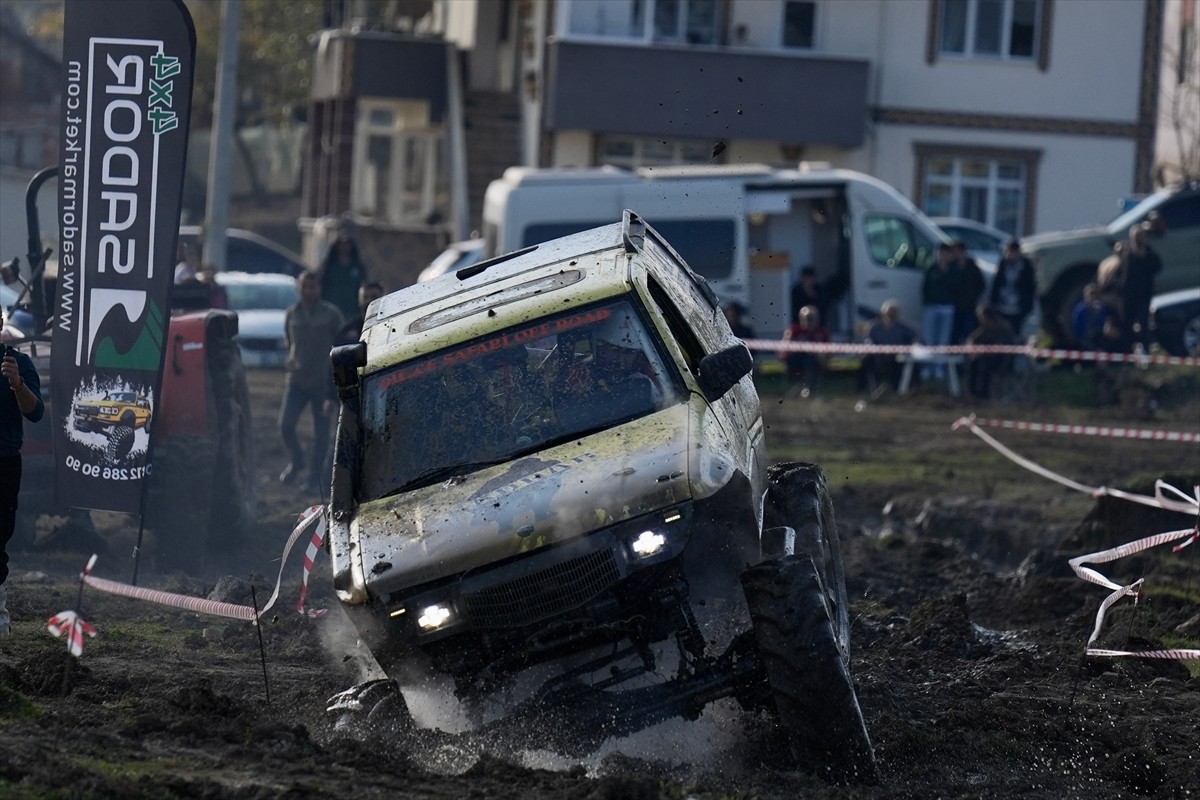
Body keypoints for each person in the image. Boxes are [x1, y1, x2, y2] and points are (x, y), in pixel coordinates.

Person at [279, 271, 345, 495]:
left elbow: (342, 343)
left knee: (321, 435)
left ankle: (314, 480)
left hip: (322, 382)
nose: (309, 291)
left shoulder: (331, 314)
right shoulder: (291, 314)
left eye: (313, 286)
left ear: (319, 288)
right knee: (285, 425)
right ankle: (296, 461)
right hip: (296, 380)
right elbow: (289, 344)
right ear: (298, 288)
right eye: (305, 286)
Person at [1, 330, 45, 636]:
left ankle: (0, 617)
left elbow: (36, 413)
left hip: (4, 462)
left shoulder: (17, 362)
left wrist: (17, 384)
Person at [861, 299, 916, 394]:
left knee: (910, 364)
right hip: (878, 358)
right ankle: (861, 387)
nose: (891, 315)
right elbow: (868, 341)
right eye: (889, 312)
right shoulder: (874, 327)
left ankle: (908, 387)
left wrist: (915, 343)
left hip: (897, 358)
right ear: (883, 312)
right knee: (866, 359)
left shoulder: (903, 327)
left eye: (894, 312)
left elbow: (914, 338)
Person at [1121, 223, 1162, 350]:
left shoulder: (1149, 253)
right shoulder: (1128, 255)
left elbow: (1157, 267)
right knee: (1128, 324)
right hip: (1129, 295)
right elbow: (1125, 275)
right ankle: (1128, 351)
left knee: (1143, 324)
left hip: (1144, 294)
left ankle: (1145, 349)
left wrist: (1146, 256)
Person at [921, 244, 958, 380]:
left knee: (943, 340)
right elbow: (925, 288)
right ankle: (927, 367)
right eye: (940, 253)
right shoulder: (931, 269)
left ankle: (939, 368)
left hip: (947, 308)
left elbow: (956, 288)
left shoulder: (953, 270)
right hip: (931, 307)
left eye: (944, 253)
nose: (942, 256)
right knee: (929, 338)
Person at [963, 303, 1016, 400]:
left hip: (1002, 360)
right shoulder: (984, 329)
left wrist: (984, 353)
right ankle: (972, 394)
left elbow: (1002, 347)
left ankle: (984, 394)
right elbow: (972, 338)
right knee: (972, 363)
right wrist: (972, 348)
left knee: (984, 365)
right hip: (985, 357)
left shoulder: (1002, 329)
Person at [320, 225, 370, 321]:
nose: (344, 247)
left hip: (352, 311)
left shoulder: (358, 267)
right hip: (331, 310)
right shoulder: (329, 267)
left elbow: (363, 285)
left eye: (347, 244)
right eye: (342, 244)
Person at [989, 239, 1036, 338]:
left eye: (1013, 252)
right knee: (1002, 332)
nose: (1011, 254)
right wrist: (993, 301)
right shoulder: (1003, 264)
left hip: (1019, 307)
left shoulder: (1026, 266)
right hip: (1002, 306)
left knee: (1015, 332)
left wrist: (1028, 306)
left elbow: (1030, 287)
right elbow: (996, 283)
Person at [779, 305, 829, 396]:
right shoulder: (794, 331)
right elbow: (783, 351)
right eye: (805, 318)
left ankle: (807, 389)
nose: (808, 322)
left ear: (817, 319)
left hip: (814, 363)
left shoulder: (822, 333)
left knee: (810, 360)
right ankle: (800, 389)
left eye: (811, 318)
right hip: (796, 361)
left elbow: (828, 355)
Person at [951, 240, 986, 344]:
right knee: (954, 333)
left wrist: (973, 296)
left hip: (969, 306)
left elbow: (981, 285)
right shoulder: (952, 266)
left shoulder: (972, 267)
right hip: (955, 306)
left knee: (969, 332)